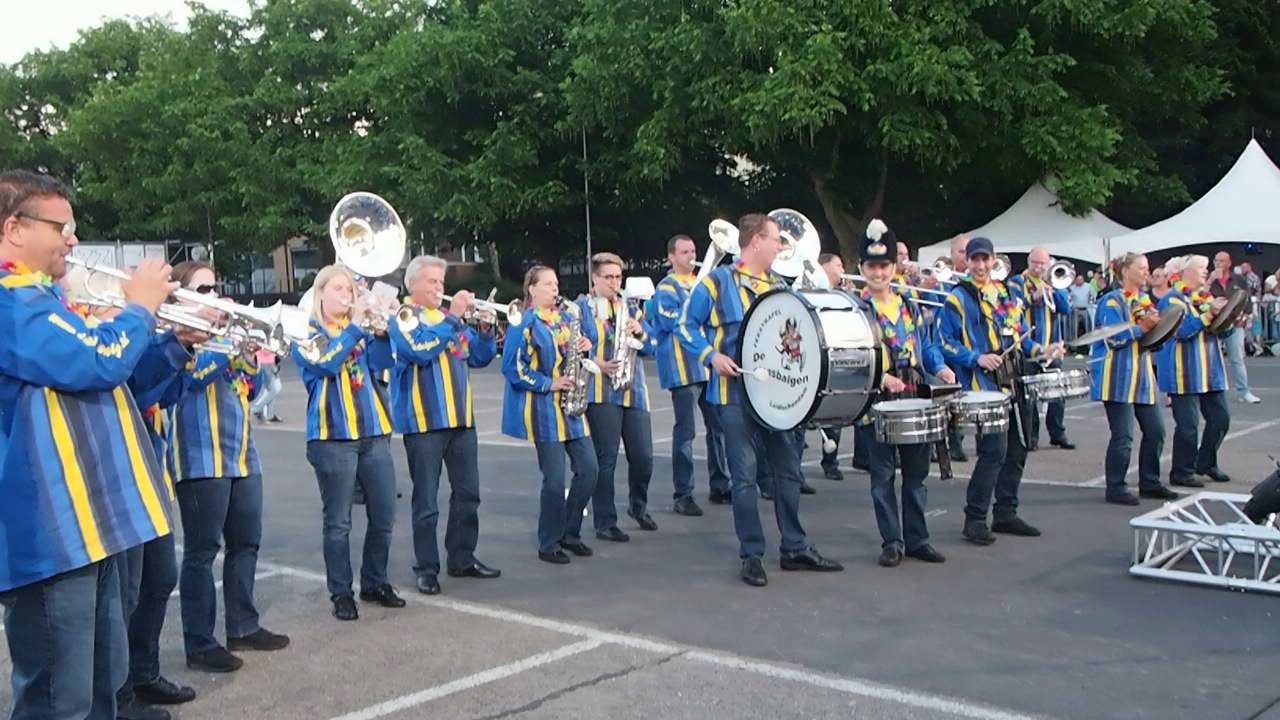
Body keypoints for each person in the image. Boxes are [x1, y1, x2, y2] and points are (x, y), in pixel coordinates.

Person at [0, 170, 177, 719]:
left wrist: (175, 341)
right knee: (59, 700)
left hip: (94, 527)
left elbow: (126, 377)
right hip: (52, 536)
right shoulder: (10, 304)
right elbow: (97, 360)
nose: (73, 240)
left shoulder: (44, 299)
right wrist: (141, 307)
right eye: (62, 226)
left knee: (104, 686)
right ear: (13, 228)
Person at [679, 213, 843, 587]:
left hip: (775, 395)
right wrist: (711, 356)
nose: (780, 248)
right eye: (775, 240)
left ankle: (794, 547)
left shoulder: (779, 287)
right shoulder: (717, 283)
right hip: (733, 394)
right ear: (756, 242)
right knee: (744, 477)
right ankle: (752, 554)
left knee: (787, 472)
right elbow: (685, 325)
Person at [169, 260, 290, 671]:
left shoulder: (223, 337)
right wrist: (226, 344)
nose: (213, 296)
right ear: (181, 295)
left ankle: (243, 624)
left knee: (246, 543)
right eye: (202, 290)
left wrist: (250, 355)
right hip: (201, 456)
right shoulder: (175, 335)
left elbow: (250, 389)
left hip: (241, 453)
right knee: (202, 553)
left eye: (213, 288)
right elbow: (191, 378)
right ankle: (199, 643)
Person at [293, 265, 405, 620]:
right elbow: (325, 364)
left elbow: (382, 364)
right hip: (332, 435)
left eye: (350, 290)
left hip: (373, 431)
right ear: (320, 292)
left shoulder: (361, 330)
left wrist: (384, 332)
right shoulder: (306, 330)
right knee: (339, 521)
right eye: (338, 289)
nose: (346, 295)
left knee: (384, 513)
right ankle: (341, 592)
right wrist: (358, 327)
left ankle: (375, 581)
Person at [390, 255, 502, 595]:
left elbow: (480, 358)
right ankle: (426, 567)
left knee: (468, 494)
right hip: (423, 423)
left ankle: (462, 557)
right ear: (413, 285)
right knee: (426, 501)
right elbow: (420, 351)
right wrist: (454, 317)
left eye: (441, 282)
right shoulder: (404, 317)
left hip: (461, 420)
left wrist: (485, 331)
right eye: (432, 282)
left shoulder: (447, 320)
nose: (440, 288)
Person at [857, 222, 957, 566]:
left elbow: (926, 345)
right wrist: (880, 376)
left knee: (916, 474)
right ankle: (892, 541)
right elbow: (851, 356)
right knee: (882, 476)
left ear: (894, 268)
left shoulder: (909, 305)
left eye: (884, 266)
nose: (879, 272)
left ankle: (917, 539)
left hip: (913, 393)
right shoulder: (856, 311)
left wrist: (941, 367)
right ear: (861, 269)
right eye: (872, 266)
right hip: (877, 397)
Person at [939, 237, 1047, 545]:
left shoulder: (1005, 293)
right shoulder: (957, 298)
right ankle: (974, 518)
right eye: (976, 259)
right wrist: (976, 357)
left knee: (1018, 447)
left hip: (1012, 380)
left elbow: (1017, 332)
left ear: (994, 260)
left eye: (986, 259)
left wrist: (1040, 348)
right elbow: (945, 342)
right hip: (982, 386)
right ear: (968, 262)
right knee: (994, 452)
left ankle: (1005, 512)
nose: (981, 265)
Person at [501, 266, 599, 564]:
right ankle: (549, 542)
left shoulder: (566, 319)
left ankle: (571, 531)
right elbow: (512, 368)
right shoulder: (525, 323)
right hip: (544, 410)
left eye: (556, 284)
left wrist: (586, 347)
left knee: (590, 470)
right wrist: (549, 383)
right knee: (555, 481)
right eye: (548, 284)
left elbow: (580, 354)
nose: (555, 289)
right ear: (531, 289)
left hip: (572, 409)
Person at [578, 252, 659, 541]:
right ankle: (605, 521)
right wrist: (595, 361)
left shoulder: (630, 307)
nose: (614, 283)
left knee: (644, 457)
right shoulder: (581, 308)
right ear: (595, 278)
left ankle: (638, 506)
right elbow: (570, 346)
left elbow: (651, 345)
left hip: (633, 390)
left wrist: (641, 331)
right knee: (606, 459)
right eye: (608, 277)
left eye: (618, 277)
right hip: (601, 392)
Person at [1089, 253, 1181, 505]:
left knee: (1156, 431)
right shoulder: (1111, 301)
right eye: (1141, 268)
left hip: (1141, 376)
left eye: (1147, 268)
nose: (1146, 272)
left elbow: (1151, 341)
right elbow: (1113, 338)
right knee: (1123, 436)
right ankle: (1115, 487)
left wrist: (1161, 333)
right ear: (1125, 271)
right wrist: (1144, 328)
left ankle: (1149, 482)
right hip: (1116, 377)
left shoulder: (1143, 300)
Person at [651, 234, 730, 512]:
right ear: (671, 257)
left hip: (708, 368)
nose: (690, 256)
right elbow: (676, 323)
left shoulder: (704, 284)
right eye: (684, 252)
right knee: (685, 432)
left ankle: (720, 484)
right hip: (682, 368)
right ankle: (682, 494)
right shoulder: (667, 288)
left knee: (718, 428)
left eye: (693, 251)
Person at [1156, 255, 1232, 487]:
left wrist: (1227, 317)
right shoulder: (1172, 299)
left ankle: (1206, 461)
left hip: (1210, 371)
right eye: (1201, 268)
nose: (1205, 272)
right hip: (1184, 372)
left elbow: (1222, 333)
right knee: (1188, 426)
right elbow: (1181, 330)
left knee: (1221, 419)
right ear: (1184, 272)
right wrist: (1209, 314)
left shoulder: (1204, 297)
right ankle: (1182, 471)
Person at [1007, 247, 1074, 451]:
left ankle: (1057, 433)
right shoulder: (1017, 282)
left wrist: (1057, 288)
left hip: (1052, 347)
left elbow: (1066, 309)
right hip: (1028, 347)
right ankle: (1031, 437)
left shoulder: (1051, 281)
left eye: (1044, 264)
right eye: (1036, 263)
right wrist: (1033, 297)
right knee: (1029, 397)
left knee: (1057, 394)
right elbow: (1013, 309)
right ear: (1029, 262)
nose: (1039, 267)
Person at [1209, 251, 1260, 403]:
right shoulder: (1208, 280)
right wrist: (1210, 280)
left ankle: (1244, 391)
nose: (1218, 264)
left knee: (1237, 358)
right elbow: (1199, 296)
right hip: (1213, 324)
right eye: (1216, 261)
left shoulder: (1238, 279)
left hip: (1234, 323)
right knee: (1211, 358)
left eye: (1222, 261)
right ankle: (1212, 392)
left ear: (1229, 263)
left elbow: (1246, 298)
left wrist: (1246, 315)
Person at [817, 252, 849, 481]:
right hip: (818, 358)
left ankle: (831, 462)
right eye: (837, 265)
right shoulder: (812, 291)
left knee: (834, 414)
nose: (842, 269)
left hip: (836, 357)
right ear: (824, 267)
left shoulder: (841, 294)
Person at [250, 346, 284, 422]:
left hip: (265, 361)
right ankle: (257, 408)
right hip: (267, 362)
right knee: (275, 388)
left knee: (270, 388)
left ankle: (270, 414)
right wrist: (276, 350)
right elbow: (265, 347)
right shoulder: (264, 335)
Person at [1068, 273, 1095, 342]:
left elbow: (1093, 295)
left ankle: (1089, 344)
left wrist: (1091, 302)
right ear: (1075, 280)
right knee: (1073, 329)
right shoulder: (1072, 288)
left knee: (1088, 328)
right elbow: (1068, 298)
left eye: (1081, 279)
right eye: (1078, 279)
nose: (1079, 281)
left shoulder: (1088, 286)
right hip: (1075, 310)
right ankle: (1073, 346)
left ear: (1083, 280)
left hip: (1085, 309)